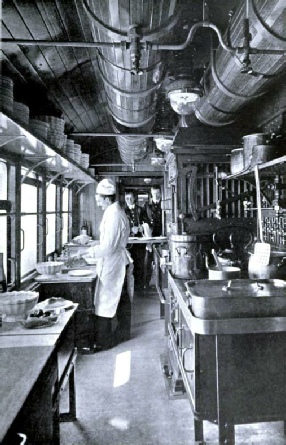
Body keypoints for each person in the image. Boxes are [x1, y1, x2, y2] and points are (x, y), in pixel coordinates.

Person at [87, 178, 132, 351]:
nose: (98, 204)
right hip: (114, 260)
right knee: (119, 298)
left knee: (106, 301)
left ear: (107, 198)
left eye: (99, 200)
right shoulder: (113, 212)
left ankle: (105, 341)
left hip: (114, 262)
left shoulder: (114, 215)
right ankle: (122, 333)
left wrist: (89, 252)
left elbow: (109, 246)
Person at [142, 185, 163, 288]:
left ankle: (160, 284)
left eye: (157, 193)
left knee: (160, 260)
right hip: (149, 237)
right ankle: (145, 283)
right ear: (151, 194)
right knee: (147, 261)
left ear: (160, 193)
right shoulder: (147, 206)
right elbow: (143, 219)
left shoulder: (164, 204)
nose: (156, 195)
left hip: (161, 237)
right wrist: (146, 227)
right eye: (154, 193)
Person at [124, 189, 145, 289]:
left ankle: (139, 287)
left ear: (134, 198)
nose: (128, 200)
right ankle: (130, 287)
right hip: (128, 244)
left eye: (130, 198)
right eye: (126, 198)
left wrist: (142, 228)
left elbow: (147, 223)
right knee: (129, 265)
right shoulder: (123, 211)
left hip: (140, 242)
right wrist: (130, 230)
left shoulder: (141, 209)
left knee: (140, 264)